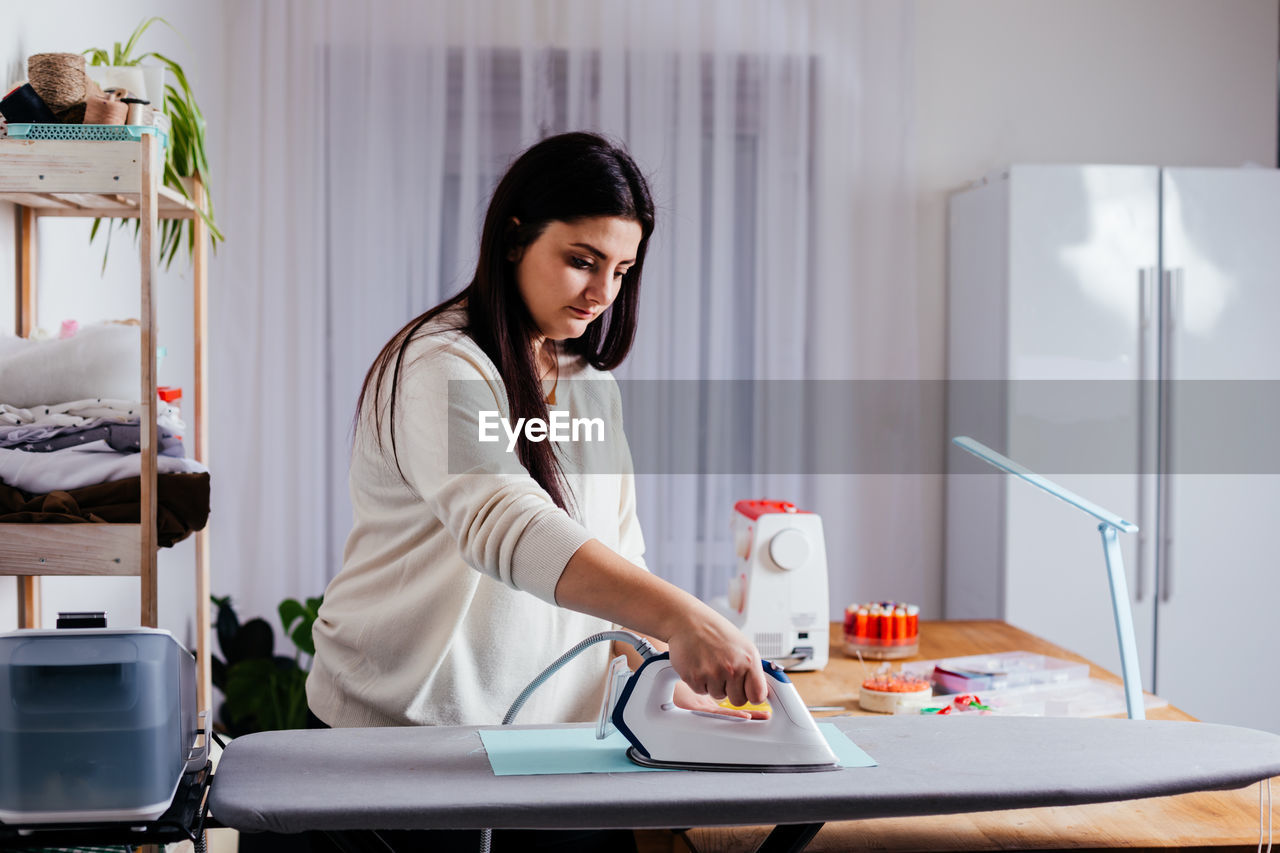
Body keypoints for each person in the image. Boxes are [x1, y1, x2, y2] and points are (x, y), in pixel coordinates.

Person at [304, 135, 767, 849]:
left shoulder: (590, 386)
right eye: (581, 261)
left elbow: (621, 556)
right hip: (400, 749)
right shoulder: (441, 366)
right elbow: (508, 523)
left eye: (621, 269)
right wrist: (686, 619)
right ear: (514, 239)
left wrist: (665, 676)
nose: (602, 292)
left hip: (554, 755)